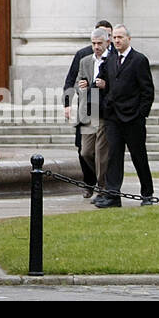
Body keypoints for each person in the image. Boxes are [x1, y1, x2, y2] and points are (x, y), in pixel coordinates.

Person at [97, 24, 156, 208]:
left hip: (133, 118)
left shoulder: (139, 60)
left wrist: (141, 114)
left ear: (128, 39)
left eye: (120, 37)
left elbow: (148, 91)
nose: (116, 41)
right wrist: (105, 104)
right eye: (114, 38)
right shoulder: (111, 60)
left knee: (139, 156)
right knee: (114, 156)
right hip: (113, 117)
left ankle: (147, 193)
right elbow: (103, 81)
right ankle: (113, 196)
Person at [62, 20, 114, 197]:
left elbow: (119, 83)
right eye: (94, 43)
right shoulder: (84, 59)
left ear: (108, 41)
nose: (96, 47)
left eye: (100, 43)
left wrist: (106, 85)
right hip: (87, 112)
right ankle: (92, 182)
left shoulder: (113, 59)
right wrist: (78, 89)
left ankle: (102, 187)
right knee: (85, 152)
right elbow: (75, 80)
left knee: (101, 152)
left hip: (104, 112)